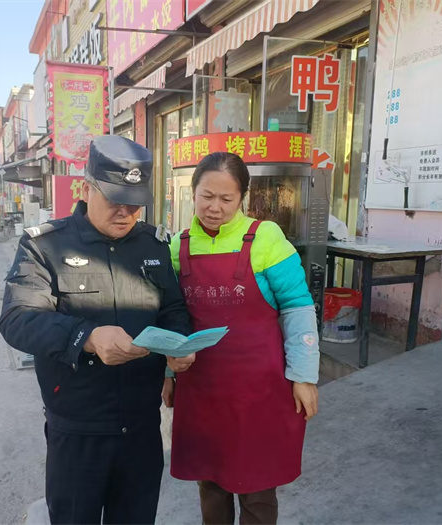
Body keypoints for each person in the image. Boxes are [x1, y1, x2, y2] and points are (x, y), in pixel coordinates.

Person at [0, 135, 194, 525]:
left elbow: (173, 307)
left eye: (134, 204)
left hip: (141, 429)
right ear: (86, 189)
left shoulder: (154, 245)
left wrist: (179, 344)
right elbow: (17, 318)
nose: (125, 213)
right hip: (78, 432)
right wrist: (85, 337)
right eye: (114, 200)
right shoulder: (45, 247)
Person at [163, 152, 320, 525]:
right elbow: (172, 317)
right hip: (202, 388)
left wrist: (303, 376)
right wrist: (168, 374)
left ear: (242, 198)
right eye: (206, 196)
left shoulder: (266, 238)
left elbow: (297, 307)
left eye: (226, 199)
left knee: (257, 485)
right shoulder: (178, 246)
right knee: (210, 482)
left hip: (259, 390)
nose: (214, 207)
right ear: (193, 193)